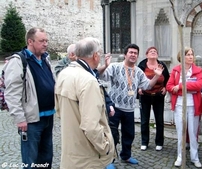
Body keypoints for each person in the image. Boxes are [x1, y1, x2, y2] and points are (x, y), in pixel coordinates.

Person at [97, 43, 164, 164]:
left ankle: (126, 156)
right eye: (131, 52)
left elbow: (147, 85)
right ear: (125, 54)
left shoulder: (138, 71)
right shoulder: (115, 67)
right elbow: (100, 75)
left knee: (129, 134)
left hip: (129, 109)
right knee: (112, 135)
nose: (133, 55)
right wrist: (105, 66)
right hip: (115, 107)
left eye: (135, 53)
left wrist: (156, 76)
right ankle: (109, 161)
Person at [55, 37, 115, 168]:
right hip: (88, 156)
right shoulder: (88, 81)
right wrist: (105, 146)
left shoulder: (64, 74)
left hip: (71, 148)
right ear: (95, 55)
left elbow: (58, 110)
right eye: (99, 53)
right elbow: (91, 126)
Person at [3, 27, 55, 168]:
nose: (45, 44)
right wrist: (20, 119)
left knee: (46, 157)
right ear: (30, 41)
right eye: (41, 41)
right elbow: (12, 93)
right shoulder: (19, 61)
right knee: (31, 160)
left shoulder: (45, 59)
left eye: (46, 41)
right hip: (31, 120)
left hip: (48, 116)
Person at [166, 47, 202, 168]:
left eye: (192, 54)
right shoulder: (176, 70)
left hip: (193, 105)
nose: (190, 57)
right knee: (180, 132)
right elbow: (169, 86)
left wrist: (181, 86)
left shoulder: (198, 71)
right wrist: (175, 88)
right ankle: (180, 156)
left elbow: (199, 85)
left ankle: (194, 157)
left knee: (193, 132)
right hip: (179, 105)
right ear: (181, 57)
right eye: (187, 54)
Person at [137, 47, 170, 151]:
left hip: (158, 95)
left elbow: (168, 79)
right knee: (144, 120)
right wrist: (138, 88)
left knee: (159, 120)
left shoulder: (162, 66)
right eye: (150, 51)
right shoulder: (141, 66)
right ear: (147, 55)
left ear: (157, 55)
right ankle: (144, 142)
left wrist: (165, 88)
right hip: (145, 95)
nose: (153, 53)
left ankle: (159, 142)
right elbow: (136, 78)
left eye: (155, 51)